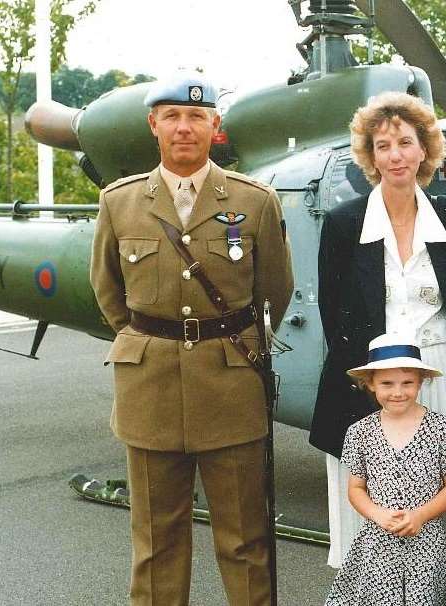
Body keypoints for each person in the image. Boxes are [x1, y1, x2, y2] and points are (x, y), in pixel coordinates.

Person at [89, 71, 293, 605]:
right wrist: (150, 343)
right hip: (149, 392)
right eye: (173, 116)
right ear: (154, 124)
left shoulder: (255, 202)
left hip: (229, 389)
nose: (185, 127)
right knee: (156, 542)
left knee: (245, 541)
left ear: (214, 126)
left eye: (197, 116)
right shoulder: (120, 202)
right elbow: (109, 293)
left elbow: (275, 292)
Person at [308, 91, 446, 576]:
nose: (396, 155)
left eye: (406, 143)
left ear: (426, 150)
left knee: (444, 505)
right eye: (383, 145)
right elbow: (335, 316)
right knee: (371, 513)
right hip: (372, 380)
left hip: (442, 373)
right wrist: (371, 387)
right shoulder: (344, 224)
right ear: (369, 156)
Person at [324, 334, 446, 606]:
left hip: (425, 540)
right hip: (378, 542)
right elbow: (356, 488)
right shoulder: (360, 433)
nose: (398, 392)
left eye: (407, 383)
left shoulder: (443, 429)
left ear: (421, 382)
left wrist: (421, 515)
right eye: (387, 383)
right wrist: (378, 514)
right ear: (370, 384)